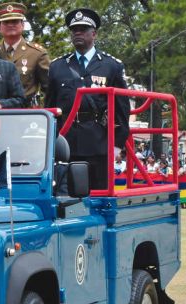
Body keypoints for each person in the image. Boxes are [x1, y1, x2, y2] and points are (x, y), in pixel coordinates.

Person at [45, 8, 130, 189]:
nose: (77, 33)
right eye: (74, 29)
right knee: (64, 198)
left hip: (98, 143)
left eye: (83, 29)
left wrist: (117, 145)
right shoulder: (57, 67)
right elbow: (50, 107)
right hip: (65, 143)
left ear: (94, 34)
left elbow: (122, 109)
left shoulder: (111, 66)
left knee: (98, 197)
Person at [0, 2, 49, 107]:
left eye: (14, 21)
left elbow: (49, 89)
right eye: (6, 22)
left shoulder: (37, 53)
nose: (10, 25)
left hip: (26, 115)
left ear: (22, 25)